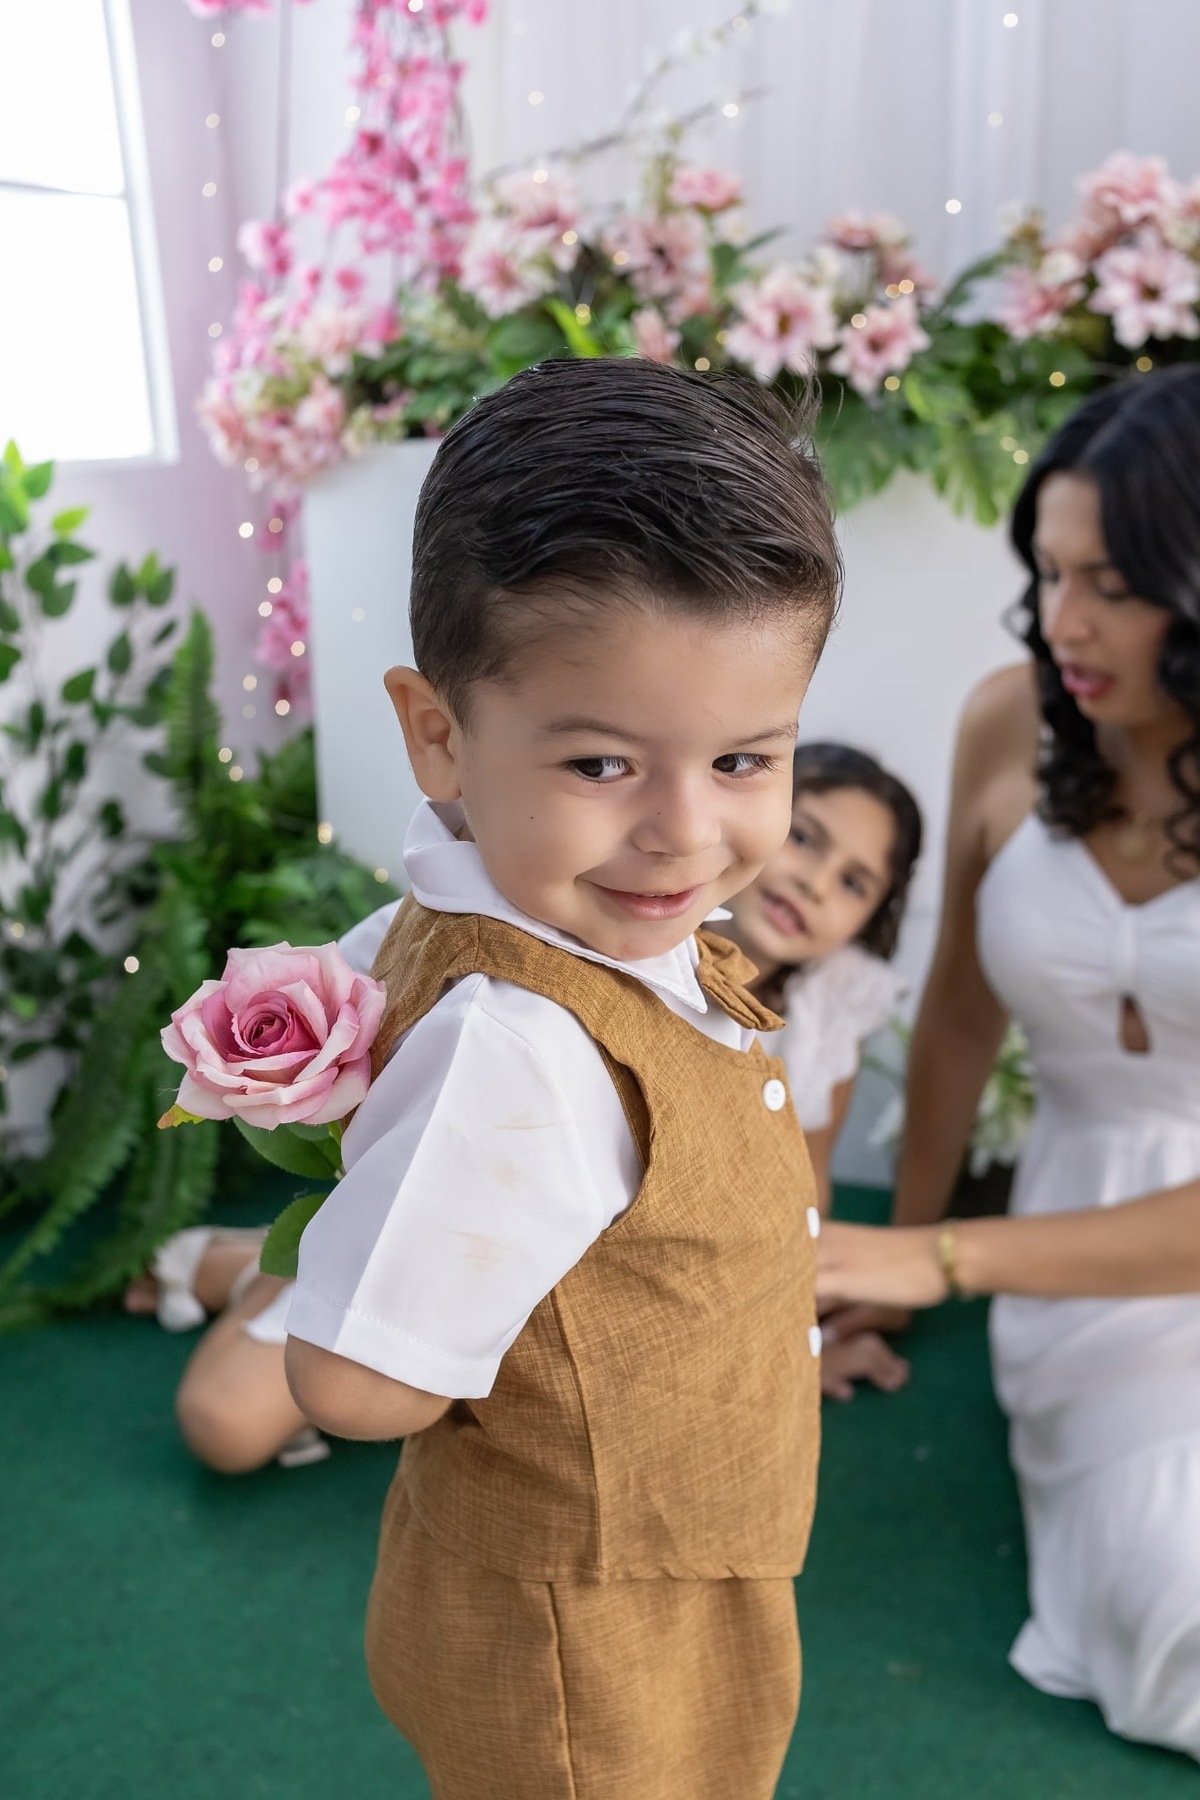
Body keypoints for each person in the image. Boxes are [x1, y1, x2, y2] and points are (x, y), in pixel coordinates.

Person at [280, 356, 841, 1800]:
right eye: (602, 764)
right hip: (586, 1625)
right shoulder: (521, 1047)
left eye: (741, 757)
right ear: (439, 733)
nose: (684, 835)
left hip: (661, 1554)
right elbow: (352, 1383)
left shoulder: (522, 919)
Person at [831, 369, 1200, 1761]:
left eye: (1111, 583)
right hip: (1076, 1256)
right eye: (1048, 574)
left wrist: (942, 1265)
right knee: (1170, 1600)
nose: (1067, 625)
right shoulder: (1012, 718)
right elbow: (958, 1023)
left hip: (1052, 1253)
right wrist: (902, 1260)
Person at [122, 905, 399, 1475]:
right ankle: (279, 1270)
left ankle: (257, 1264)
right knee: (222, 1425)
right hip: (392, 1245)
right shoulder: (426, 929)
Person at [720, 741, 922, 1399]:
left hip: (731, 1258)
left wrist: (790, 1340)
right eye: (804, 838)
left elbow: (806, 1188)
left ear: (871, 918)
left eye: (853, 882)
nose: (815, 883)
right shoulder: (647, 934)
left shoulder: (832, 1001)